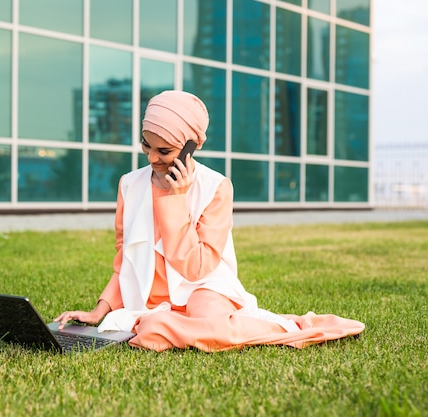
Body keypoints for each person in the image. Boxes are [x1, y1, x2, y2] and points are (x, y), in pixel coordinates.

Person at [55, 90, 365, 352]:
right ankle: (159, 326)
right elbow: (125, 258)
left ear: (192, 147)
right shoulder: (129, 184)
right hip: (149, 299)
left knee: (205, 323)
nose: (151, 158)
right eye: (146, 145)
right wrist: (100, 310)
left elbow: (197, 267)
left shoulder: (216, 187)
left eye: (164, 150)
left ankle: (164, 328)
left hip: (204, 289)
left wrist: (176, 199)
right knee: (162, 328)